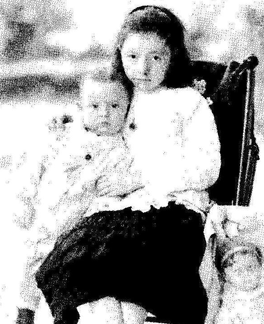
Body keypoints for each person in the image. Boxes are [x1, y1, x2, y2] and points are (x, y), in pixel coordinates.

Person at [35, 5, 221, 324]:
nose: (142, 68)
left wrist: (140, 180)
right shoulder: (122, 95)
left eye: (156, 58)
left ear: (173, 56)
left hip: (174, 209)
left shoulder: (189, 102)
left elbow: (207, 167)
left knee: (131, 257)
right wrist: (70, 125)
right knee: (76, 255)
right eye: (132, 56)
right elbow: (96, 122)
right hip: (118, 208)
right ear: (119, 53)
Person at [14, 68, 136, 324]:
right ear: (81, 108)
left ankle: (63, 315)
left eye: (114, 106)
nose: (104, 114)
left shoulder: (121, 149)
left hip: (79, 226)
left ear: (127, 109)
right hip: (48, 214)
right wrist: (25, 199)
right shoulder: (67, 135)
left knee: (69, 271)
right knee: (30, 262)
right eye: (94, 106)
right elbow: (38, 162)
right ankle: (24, 312)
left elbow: (118, 189)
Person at [214, 240, 264, 324]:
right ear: (225, 276)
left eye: (250, 267)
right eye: (238, 271)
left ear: (260, 268)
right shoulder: (230, 305)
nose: (246, 274)